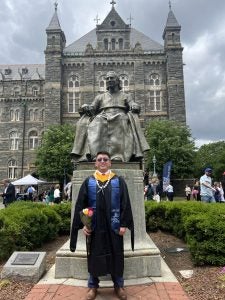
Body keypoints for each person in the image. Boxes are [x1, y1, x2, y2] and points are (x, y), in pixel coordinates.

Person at [70, 151, 134, 300]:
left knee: (116, 254)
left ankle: (118, 285)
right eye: (100, 159)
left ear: (110, 163)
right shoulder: (89, 181)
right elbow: (81, 205)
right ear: (96, 163)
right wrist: (85, 225)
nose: (103, 161)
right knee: (94, 255)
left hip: (114, 226)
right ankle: (93, 286)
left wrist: (123, 224)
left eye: (106, 159)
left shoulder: (119, 181)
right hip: (96, 227)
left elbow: (125, 204)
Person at [71, 71, 150, 162]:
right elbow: (92, 108)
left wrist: (135, 106)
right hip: (103, 115)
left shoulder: (126, 96)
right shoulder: (100, 97)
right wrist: (86, 107)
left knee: (121, 119)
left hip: (120, 115)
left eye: (111, 78)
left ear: (117, 81)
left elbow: (132, 104)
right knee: (98, 120)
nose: (109, 80)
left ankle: (118, 155)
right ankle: (96, 155)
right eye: (107, 79)